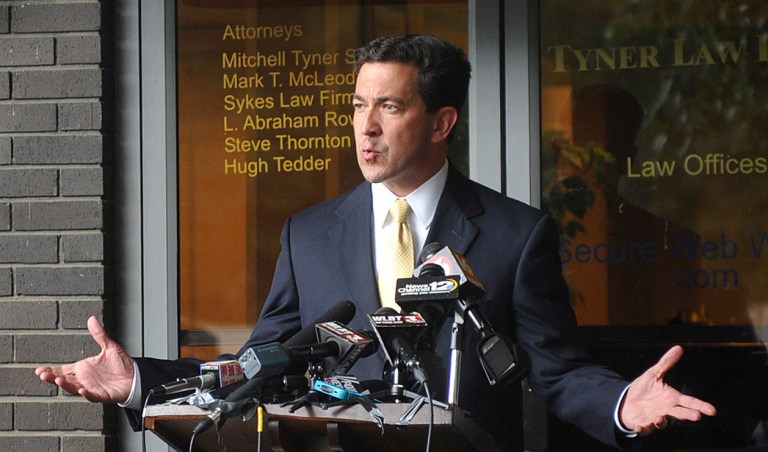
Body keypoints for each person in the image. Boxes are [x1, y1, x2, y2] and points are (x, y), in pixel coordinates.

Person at [35, 34, 716, 451]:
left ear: (442, 120)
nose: (366, 127)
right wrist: (140, 384)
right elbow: (257, 364)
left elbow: (557, 372)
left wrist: (625, 404)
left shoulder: (514, 234)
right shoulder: (309, 233)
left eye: (389, 106)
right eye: (359, 105)